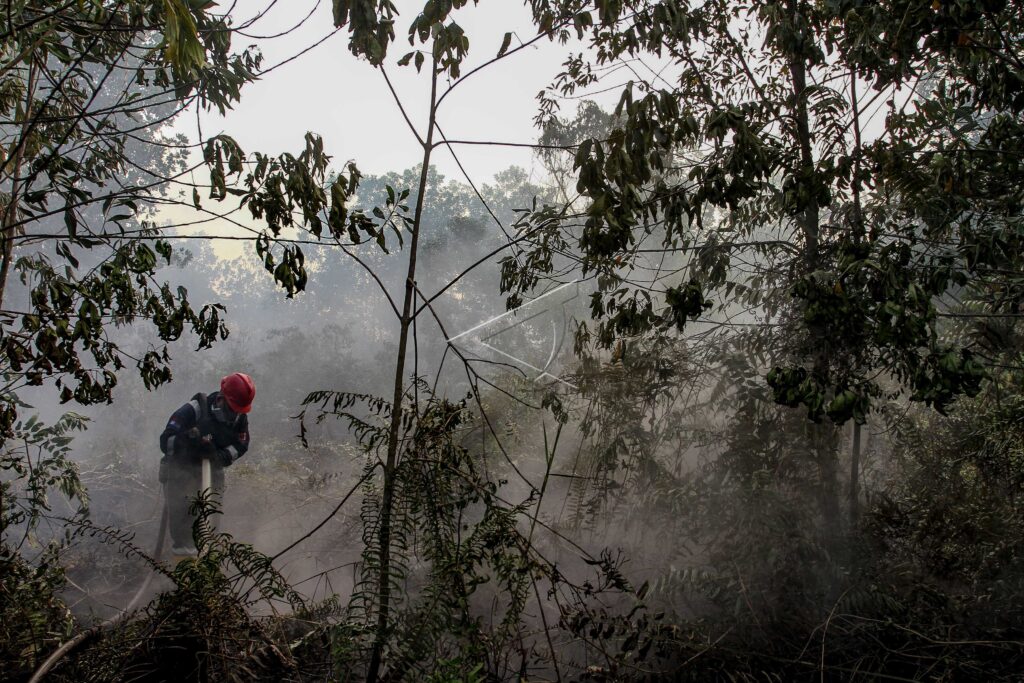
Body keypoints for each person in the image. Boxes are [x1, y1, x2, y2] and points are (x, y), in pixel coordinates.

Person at [158, 372, 255, 555]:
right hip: (181, 471)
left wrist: (219, 456)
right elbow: (166, 441)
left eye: (238, 411)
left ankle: (208, 565)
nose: (234, 416)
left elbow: (241, 445)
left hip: (212, 471)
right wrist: (188, 441)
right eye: (231, 410)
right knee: (185, 530)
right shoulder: (194, 410)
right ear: (221, 399)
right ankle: (184, 567)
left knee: (210, 528)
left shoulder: (240, 417)